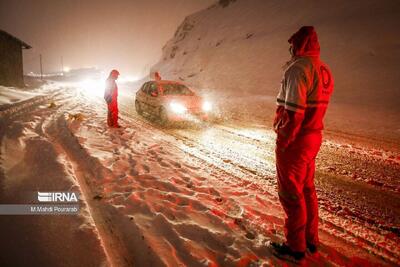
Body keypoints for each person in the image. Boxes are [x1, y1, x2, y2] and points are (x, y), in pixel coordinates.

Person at [271, 26, 334, 262]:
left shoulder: (298, 69)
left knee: (290, 192)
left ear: (299, 45)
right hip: (314, 135)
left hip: (297, 139)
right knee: (307, 188)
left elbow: (294, 112)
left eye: (293, 45)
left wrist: (285, 140)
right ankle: (310, 240)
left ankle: (295, 247)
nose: (291, 49)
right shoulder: (324, 69)